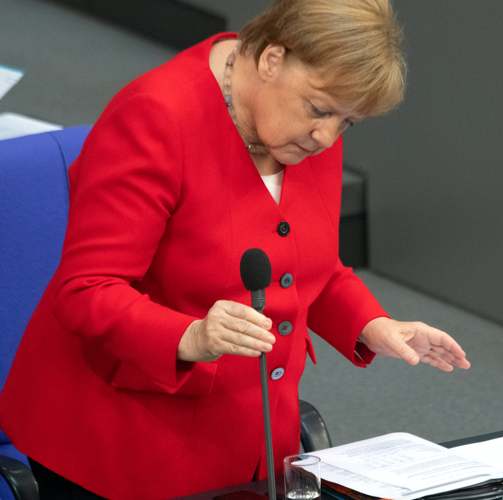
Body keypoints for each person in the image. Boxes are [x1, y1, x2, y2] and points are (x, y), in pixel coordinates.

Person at [0, 0, 470, 498]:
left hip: (254, 440)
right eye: (320, 109)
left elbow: (310, 266)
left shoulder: (301, 130)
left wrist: (374, 326)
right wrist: (192, 336)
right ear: (271, 59)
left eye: (348, 122)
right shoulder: (155, 118)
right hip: (120, 446)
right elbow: (86, 291)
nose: (327, 136)